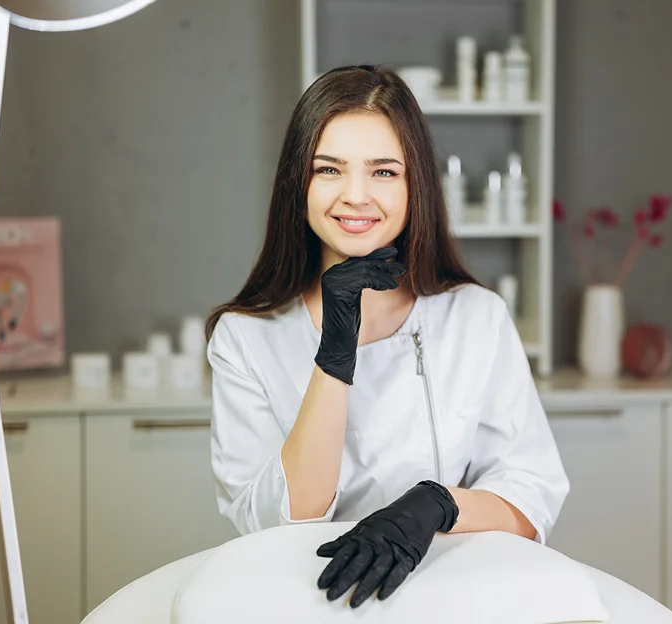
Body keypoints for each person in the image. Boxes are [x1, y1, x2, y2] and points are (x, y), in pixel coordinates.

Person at [205, 65, 569, 609]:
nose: (356, 196)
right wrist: (335, 349)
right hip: (308, 600)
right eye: (329, 169)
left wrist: (436, 504)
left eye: (383, 172)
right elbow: (275, 520)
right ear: (297, 183)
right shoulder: (245, 337)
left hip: (452, 595)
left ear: (414, 182)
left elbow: (531, 494)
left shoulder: (476, 317)